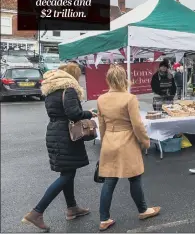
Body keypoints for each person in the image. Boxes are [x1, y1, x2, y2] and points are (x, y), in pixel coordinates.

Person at [22, 63, 97, 232]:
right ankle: (37, 212)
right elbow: (74, 114)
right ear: (72, 76)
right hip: (66, 135)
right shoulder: (69, 89)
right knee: (67, 174)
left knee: (67, 171)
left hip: (54, 133)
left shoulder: (50, 90)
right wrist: (89, 113)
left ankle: (72, 208)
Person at [97, 64, 160, 231]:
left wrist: (105, 141)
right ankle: (143, 209)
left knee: (109, 181)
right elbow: (137, 125)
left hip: (110, 140)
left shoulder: (101, 99)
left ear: (109, 79)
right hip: (127, 141)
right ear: (123, 79)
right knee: (134, 177)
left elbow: (101, 125)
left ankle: (104, 218)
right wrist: (145, 141)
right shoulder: (129, 98)